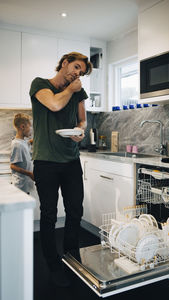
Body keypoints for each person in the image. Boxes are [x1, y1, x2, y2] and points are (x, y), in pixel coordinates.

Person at [29, 52, 93, 287]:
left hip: (71, 160)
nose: (78, 73)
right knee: (48, 214)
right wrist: (71, 89)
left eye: (82, 72)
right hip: (45, 161)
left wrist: (80, 131)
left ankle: (71, 256)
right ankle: (52, 262)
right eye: (76, 67)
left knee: (75, 210)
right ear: (65, 63)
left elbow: (82, 121)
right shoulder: (40, 84)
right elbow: (55, 104)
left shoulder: (79, 93)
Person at [10, 113, 34, 194]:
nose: (31, 129)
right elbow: (13, 166)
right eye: (30, 126)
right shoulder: (17, 144)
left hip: (25, 185)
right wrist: (29, 174)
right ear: (22, 127)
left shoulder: (23, 141)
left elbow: (27, 143)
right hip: (20, 186)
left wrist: (33, 140)